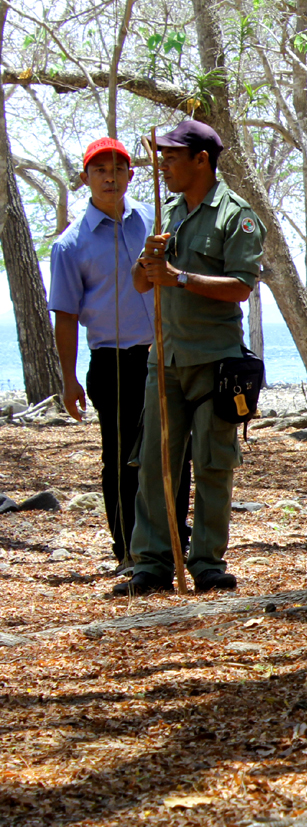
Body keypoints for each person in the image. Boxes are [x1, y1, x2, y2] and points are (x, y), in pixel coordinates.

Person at [115, 119, 265, 596]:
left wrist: (179, 276)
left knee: (213, 462)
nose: (164, 165)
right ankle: (152, 563)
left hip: (215, 362)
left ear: (202, 160)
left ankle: (206, 563)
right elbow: (141, 284)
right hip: (166, 361)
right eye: (162, 156)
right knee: (156, 464)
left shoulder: (234, 216)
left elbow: (241, 285)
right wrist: (149, 263)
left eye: (173, 157)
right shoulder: (169, 213)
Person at [48, 137, 188, 575]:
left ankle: (173, 544)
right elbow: (66, 316)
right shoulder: (70, 245)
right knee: (123, 457)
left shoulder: (154, 220)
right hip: (113, 361)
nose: (110, 178)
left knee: (175, 453)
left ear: (131, 175)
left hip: (166, 353)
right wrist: (68, 379)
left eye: (119, 169)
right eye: (100, 170)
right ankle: (130, 552)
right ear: (86, 178)